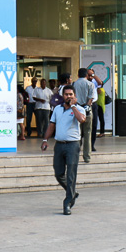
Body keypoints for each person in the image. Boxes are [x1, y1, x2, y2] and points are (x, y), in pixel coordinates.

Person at [41, 84, 86, 215]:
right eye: (66, 95)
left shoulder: (79, 109)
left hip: (73, 145)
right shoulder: (57, 109)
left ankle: (67, 203)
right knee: (59, 173)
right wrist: (45, 140)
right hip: (59, 145)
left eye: (71, 95)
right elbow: (51, 125)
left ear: (75, 96)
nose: (68, 97)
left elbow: (81, 119)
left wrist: (73, 106)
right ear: (63, 96)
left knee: (71, 175)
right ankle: (72, 193)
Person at [74, 68, 96, 161]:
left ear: (78, 75)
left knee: (77, 133)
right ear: (86, 75)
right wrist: (87, 106)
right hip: (87, 110)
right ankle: (87, 156)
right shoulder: (90, 84)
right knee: (87, 133)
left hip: (77, 110)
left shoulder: (74, 84)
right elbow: (91, 98)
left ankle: (75, 155)